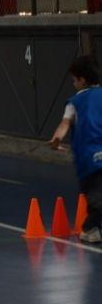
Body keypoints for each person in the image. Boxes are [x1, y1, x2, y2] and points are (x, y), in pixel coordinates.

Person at [49, 55, 102, 243]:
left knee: (96, 196)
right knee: (97, 197)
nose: (73, 84)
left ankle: (91, 227)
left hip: (88, 158)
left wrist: (56, 140)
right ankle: (90, 228)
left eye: (74, 80)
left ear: (82, 80)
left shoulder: (74, 102)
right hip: (92, 159)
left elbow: (64, 124)